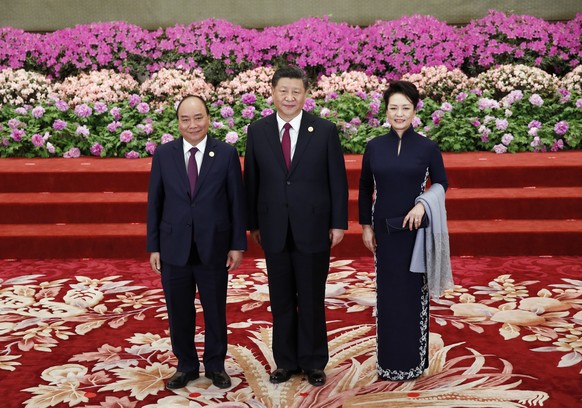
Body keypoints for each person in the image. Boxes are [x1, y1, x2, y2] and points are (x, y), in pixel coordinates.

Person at [244, 66, 348, 387]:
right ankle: (286, 361)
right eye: (283, 91)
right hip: (274, 228)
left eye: (296, 92)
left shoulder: (325, 130)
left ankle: (314, 361)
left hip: (314, 228)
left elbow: (338, 182)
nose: (289, 97)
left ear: (305, 95)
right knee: (282, 299)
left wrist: (338, 222)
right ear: (272, 92)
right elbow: (252, 182)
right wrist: (252, 223)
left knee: (313, 297)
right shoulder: (257, 131)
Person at [147, 95, 247, 390]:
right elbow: (155, 202)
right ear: (178, 123)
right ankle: (186, 365)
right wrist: (153, 245)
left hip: (213, 246)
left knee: (215, 309)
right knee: (178, 311)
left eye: (198, 118)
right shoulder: (164, 155)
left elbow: (236, 203)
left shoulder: (226, 154)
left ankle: (216, 365)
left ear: (208, 118)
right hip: (173, 247)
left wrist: (236, 244)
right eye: (185, 119)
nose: (193, 125)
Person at [358, 80, 449, 381]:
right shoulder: (374, 147)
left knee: (412, 294)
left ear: (414, 110)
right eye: (393, 108)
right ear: (386, 111)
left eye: (405, 108)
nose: (399, 114)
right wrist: (365, 227)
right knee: (387, 295)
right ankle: (388, 363)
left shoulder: (426, 147)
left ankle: (411, 362)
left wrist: (423, 204)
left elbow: (441, 183)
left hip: (414, 232)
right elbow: (364, 189)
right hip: (384, 231)